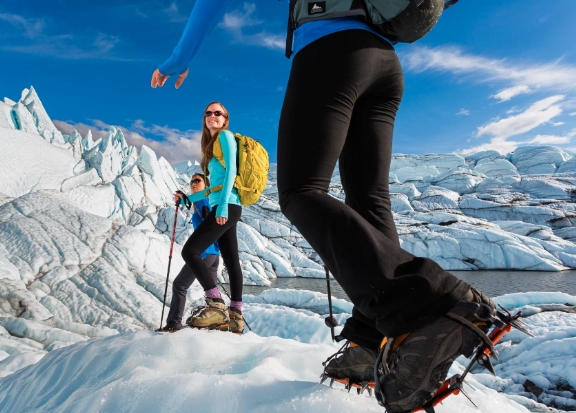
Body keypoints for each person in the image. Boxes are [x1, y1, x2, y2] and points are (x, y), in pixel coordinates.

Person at [151, 2, 497, 411]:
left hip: (331, 51)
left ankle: (436, 301)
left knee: (300, 191)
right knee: (370, 199)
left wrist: (179, 59)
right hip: (386, 65)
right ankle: (372, 346)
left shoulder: (223, 140)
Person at [173, 102, 244, 334]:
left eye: (218, 113)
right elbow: (213, 187)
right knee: (232, 260)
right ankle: (235, 316)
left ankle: (216, 306)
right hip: (224, 205)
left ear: (225, 119)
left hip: (226, 206)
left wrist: (222, 206)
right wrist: (187, 200)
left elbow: (232, 171)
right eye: (208, 113)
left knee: (189, 251)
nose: (212, 116)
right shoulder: (212, 147)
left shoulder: (224, 136)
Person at [159, 173, 221, 332]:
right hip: (214, 255)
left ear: (206, 185)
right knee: (211, 293)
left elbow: (206, 215)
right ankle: (217, 323)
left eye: (197, 181)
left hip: (203, 254)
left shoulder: (203, 199)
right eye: (192, 181)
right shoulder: (208, 200)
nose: (193, 183)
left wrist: (184, 198)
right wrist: (185, 199)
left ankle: (173, 324)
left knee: (180, 285)